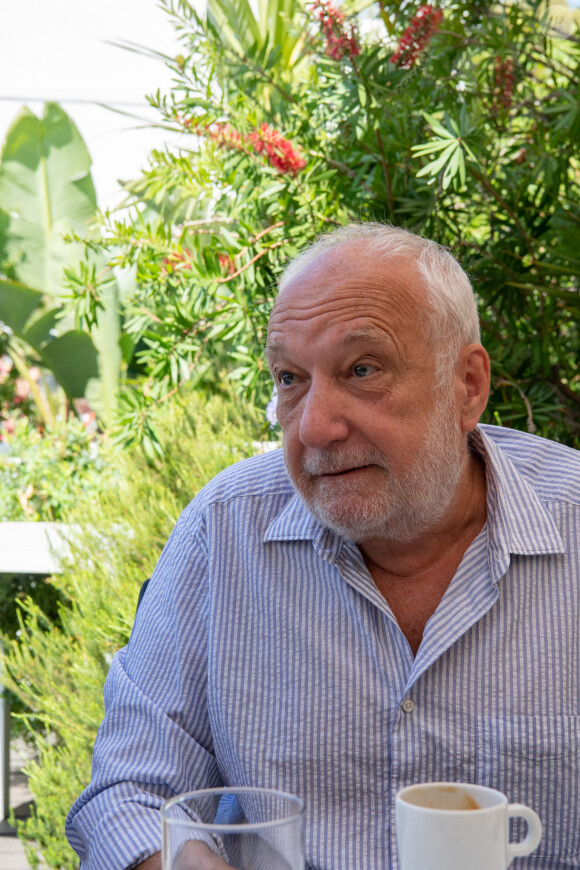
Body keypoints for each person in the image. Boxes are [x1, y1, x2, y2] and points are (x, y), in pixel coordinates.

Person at [66, 223, 580, 870]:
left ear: (466, 385)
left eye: (363, 369)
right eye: (289, 379)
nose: (314, 425)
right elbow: (126, 795)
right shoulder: (225, 533)